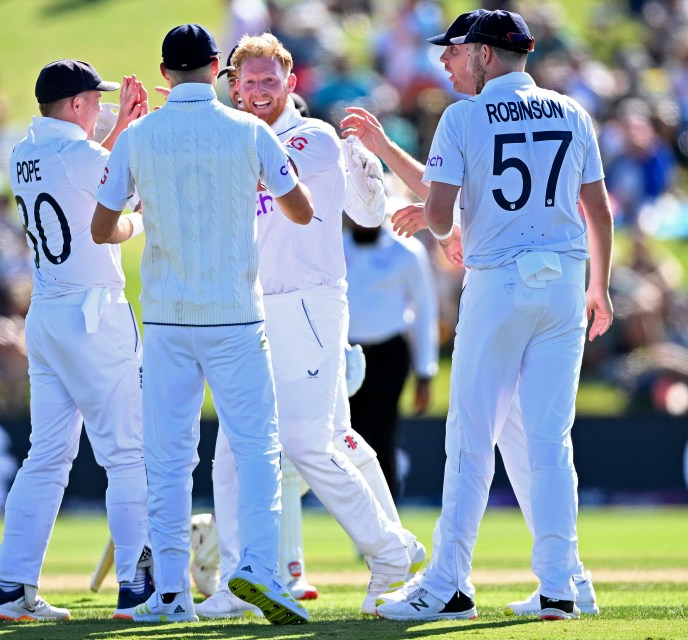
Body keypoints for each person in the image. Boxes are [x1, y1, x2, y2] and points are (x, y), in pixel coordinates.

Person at [343, 8, 601, 618]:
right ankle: (565, 584)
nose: (444, 61)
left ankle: (451, 584)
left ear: (485, 54)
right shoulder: (574, 110)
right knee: (542, 441)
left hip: (501, 284)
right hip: (566, 281)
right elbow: (600, 209)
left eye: (455, 51)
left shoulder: (463, 116)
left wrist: (438, 226)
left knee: (469, 439)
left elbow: (438, 213)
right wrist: (604, 288)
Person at [93, 23, 313, 625]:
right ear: (219, 68)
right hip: (237, 316)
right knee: (256, 450)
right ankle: (261, 571)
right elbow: (302, 211)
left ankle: (170, 594)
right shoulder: (248, 130)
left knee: (167, 459)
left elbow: (100, 228)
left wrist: (140, 220)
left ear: (165, 73)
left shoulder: (138, 136)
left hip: (167, 319)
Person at [188, 43, 423, 609]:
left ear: (290, 80)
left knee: (306, 443)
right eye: (249, 82)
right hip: (255, 308)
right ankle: (240, 583)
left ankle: (391, 553)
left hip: (309, 305)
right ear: (233, 86)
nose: (260, 90)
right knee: (239, 450)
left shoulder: (312, 137)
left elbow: (263, 185)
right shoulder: (238, 137)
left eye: (271, 78)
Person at [0, 58, 153, 622]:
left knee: (46, 456)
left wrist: (119, 130)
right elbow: (119, 206)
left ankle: (10, 586)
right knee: (127, 453)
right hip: (94, 313)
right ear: (77, 104)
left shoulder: (23, 153)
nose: (102, 108)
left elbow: (90, 181)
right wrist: (139, 221)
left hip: (48, 314)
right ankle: (136, 586)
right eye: (97, 101)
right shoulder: (82, 155)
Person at [343, 218, 438, 499]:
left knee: (382, 434)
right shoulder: (332, 248)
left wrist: (425, 373)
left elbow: (425, 312)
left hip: (389, 353)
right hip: (345, 354)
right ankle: (358, 518)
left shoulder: (406, 251)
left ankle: (388, 516)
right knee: (349, 437)